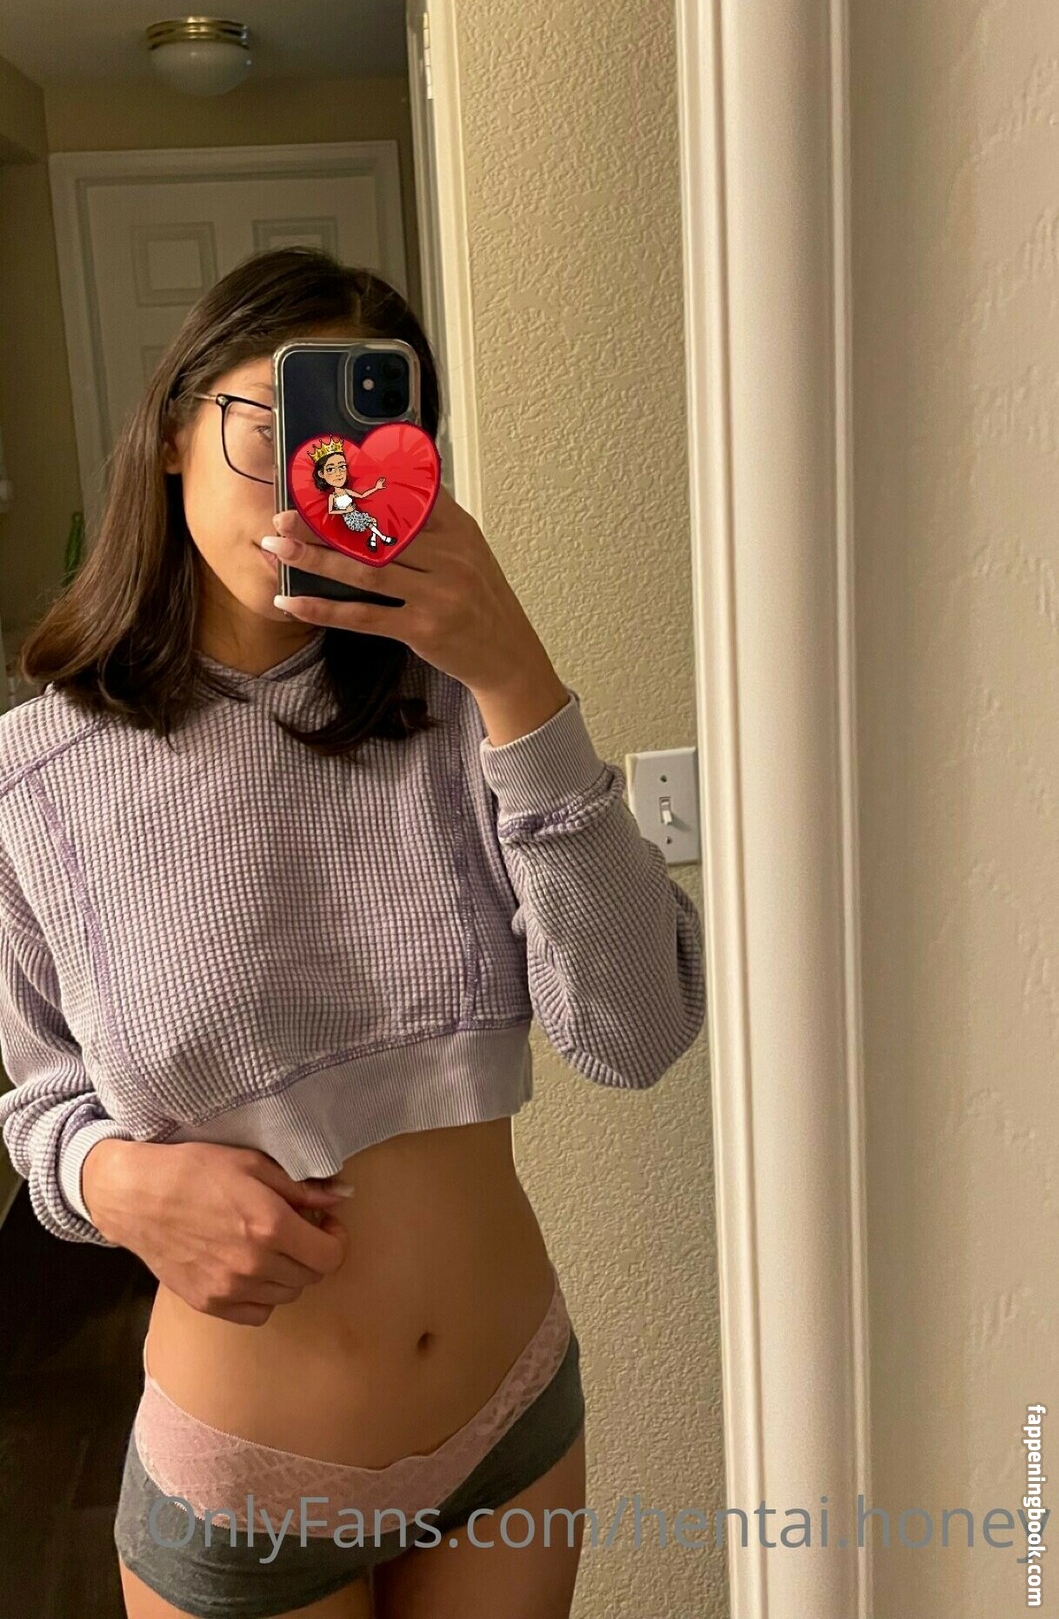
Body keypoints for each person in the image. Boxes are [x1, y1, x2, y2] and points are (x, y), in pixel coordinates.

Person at [0, 246, 707, 1619]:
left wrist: (519, 682)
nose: (310, 482)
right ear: (172, 432)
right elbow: (37, 1101)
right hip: (251, 1474)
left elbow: (636, 1036)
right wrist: (111, 1184)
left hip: (509, 1421)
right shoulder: (39, 780)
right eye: (273, 425)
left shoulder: (464, 719)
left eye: (363, 439)